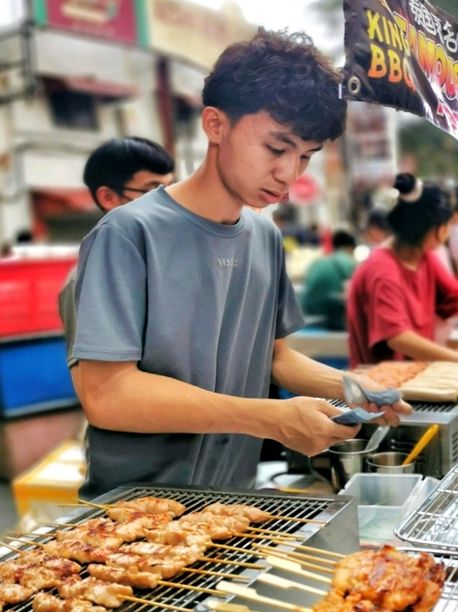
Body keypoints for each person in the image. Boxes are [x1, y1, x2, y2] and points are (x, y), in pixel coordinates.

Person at [70, 29, 408, 499]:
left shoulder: (265, 237)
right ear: (215, 124)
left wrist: (350, 384)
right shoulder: (127, 234)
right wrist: (267, 418)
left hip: (233, 503)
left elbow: (273, 356)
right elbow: (108, 396)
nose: (289, 174)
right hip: (137, 516)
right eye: (276, 148)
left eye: (305, 157)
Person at [347, 173, 458, 366]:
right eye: (450, 224)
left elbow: (456, 293)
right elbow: (397, 337)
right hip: (382, 386)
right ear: (438, 228)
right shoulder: (382, 269)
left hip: (414, 374)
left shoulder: (424, 256)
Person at [58, 136, 175, 379]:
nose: (170, 201)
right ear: (108, 198)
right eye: (153, 190)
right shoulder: (89, 280)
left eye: (171, 188)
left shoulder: (172, 261)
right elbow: (101, 387)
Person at [300, 229, 357, 330]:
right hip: (330, 316)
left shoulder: (317, 262)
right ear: (350, 248)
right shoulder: (350, 262)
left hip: (307, 313)